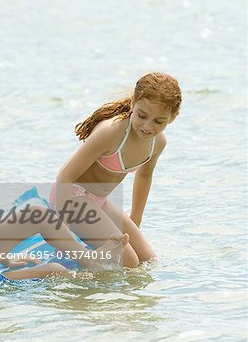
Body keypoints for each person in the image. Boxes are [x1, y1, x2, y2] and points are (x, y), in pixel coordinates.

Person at [0, 114, 128, 281]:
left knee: (37, 213)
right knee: (55, 270)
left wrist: (4, 258)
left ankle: (89, 260)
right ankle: (91, 263)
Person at [50, 72, 182, 268]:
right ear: (133, 104)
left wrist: (135, 220)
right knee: (129, 261)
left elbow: (144, 175)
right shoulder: (111, 132)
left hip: (99, 202)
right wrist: (62, 231)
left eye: (158, 121)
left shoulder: (158, 143)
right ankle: (89, 287)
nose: (147, 126)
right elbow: (64, 175)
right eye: (142, 115)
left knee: (148, 258)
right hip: (72, 199)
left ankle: (121, 298)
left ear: (172, 117)